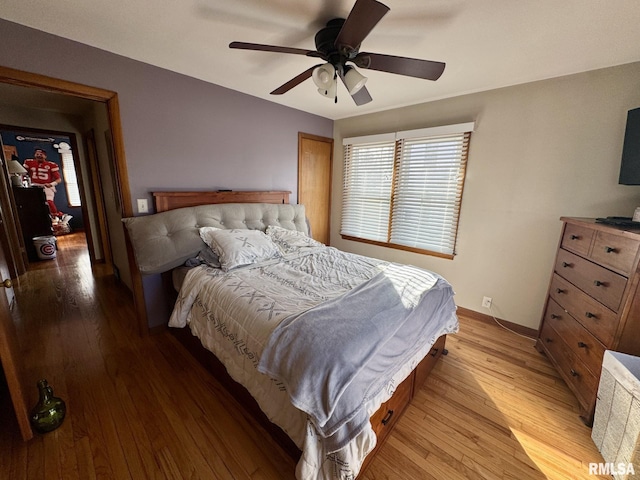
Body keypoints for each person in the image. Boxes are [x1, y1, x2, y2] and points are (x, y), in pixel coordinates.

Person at [23, 147, 62, 215]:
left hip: (46, 186)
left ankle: (55, 218)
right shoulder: (29, 162)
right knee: (34, 204)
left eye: (41, 154)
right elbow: (23, 173)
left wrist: (51, 184)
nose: (39, 156)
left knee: (49, 202)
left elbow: (58, 179)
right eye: (37, 154)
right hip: (34, 186)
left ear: (45, 156)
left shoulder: (51, 165)